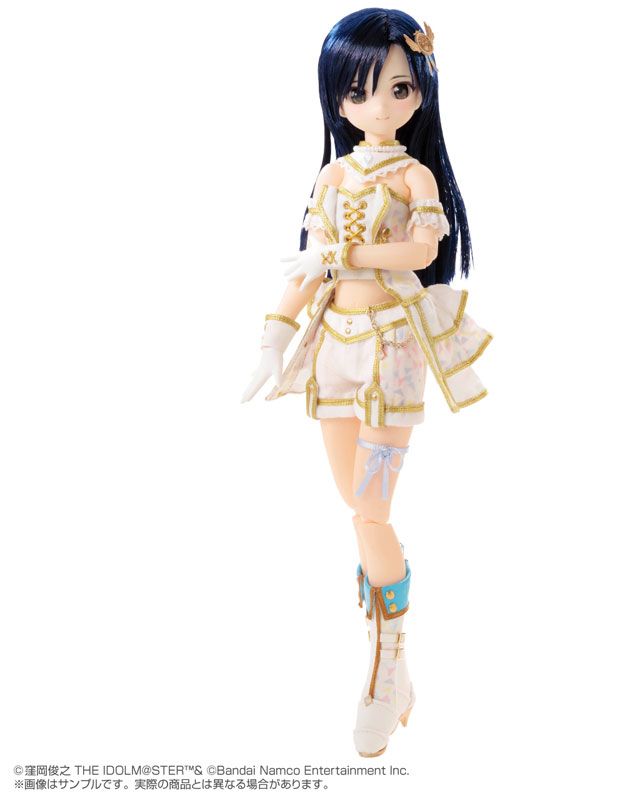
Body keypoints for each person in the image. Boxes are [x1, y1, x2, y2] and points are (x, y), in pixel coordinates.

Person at [241, 8, 492, 758]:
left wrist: (340, 257)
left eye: (398, 88)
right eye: (360, 90)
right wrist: (272, 339)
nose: (380, 105)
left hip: (392, 353)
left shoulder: (414, 175)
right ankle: (395, 661)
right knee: (356, 507)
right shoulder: (332, 176)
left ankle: (388, 663)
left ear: (420, 94)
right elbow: (306, 266)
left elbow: (417, 253)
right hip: (334, 352)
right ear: (337, 99)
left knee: (372, 511)